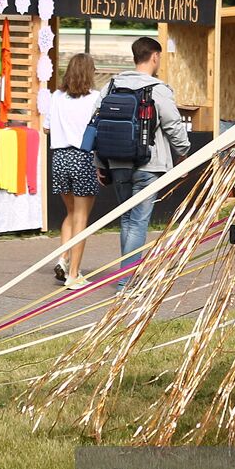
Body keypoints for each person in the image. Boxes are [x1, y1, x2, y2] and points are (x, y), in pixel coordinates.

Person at [96, 36, 190, 287]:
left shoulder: (111, 86)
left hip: (117, 163)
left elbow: (96, 125)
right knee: (138, 222)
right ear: (155, 56)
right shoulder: (158, 89)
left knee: (127, 220)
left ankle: (124, 277)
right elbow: (174, 126)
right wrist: (184, 153)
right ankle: (126, 282)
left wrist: (100, 163)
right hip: (149, 165)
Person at [47, 53, 102, 290]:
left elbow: (47, 127)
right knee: (81, 216)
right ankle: (73, 273)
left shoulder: (56, 96)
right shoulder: (96, 98)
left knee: (70, 212)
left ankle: (64, 257)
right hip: (83, 157)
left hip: (59, 157)